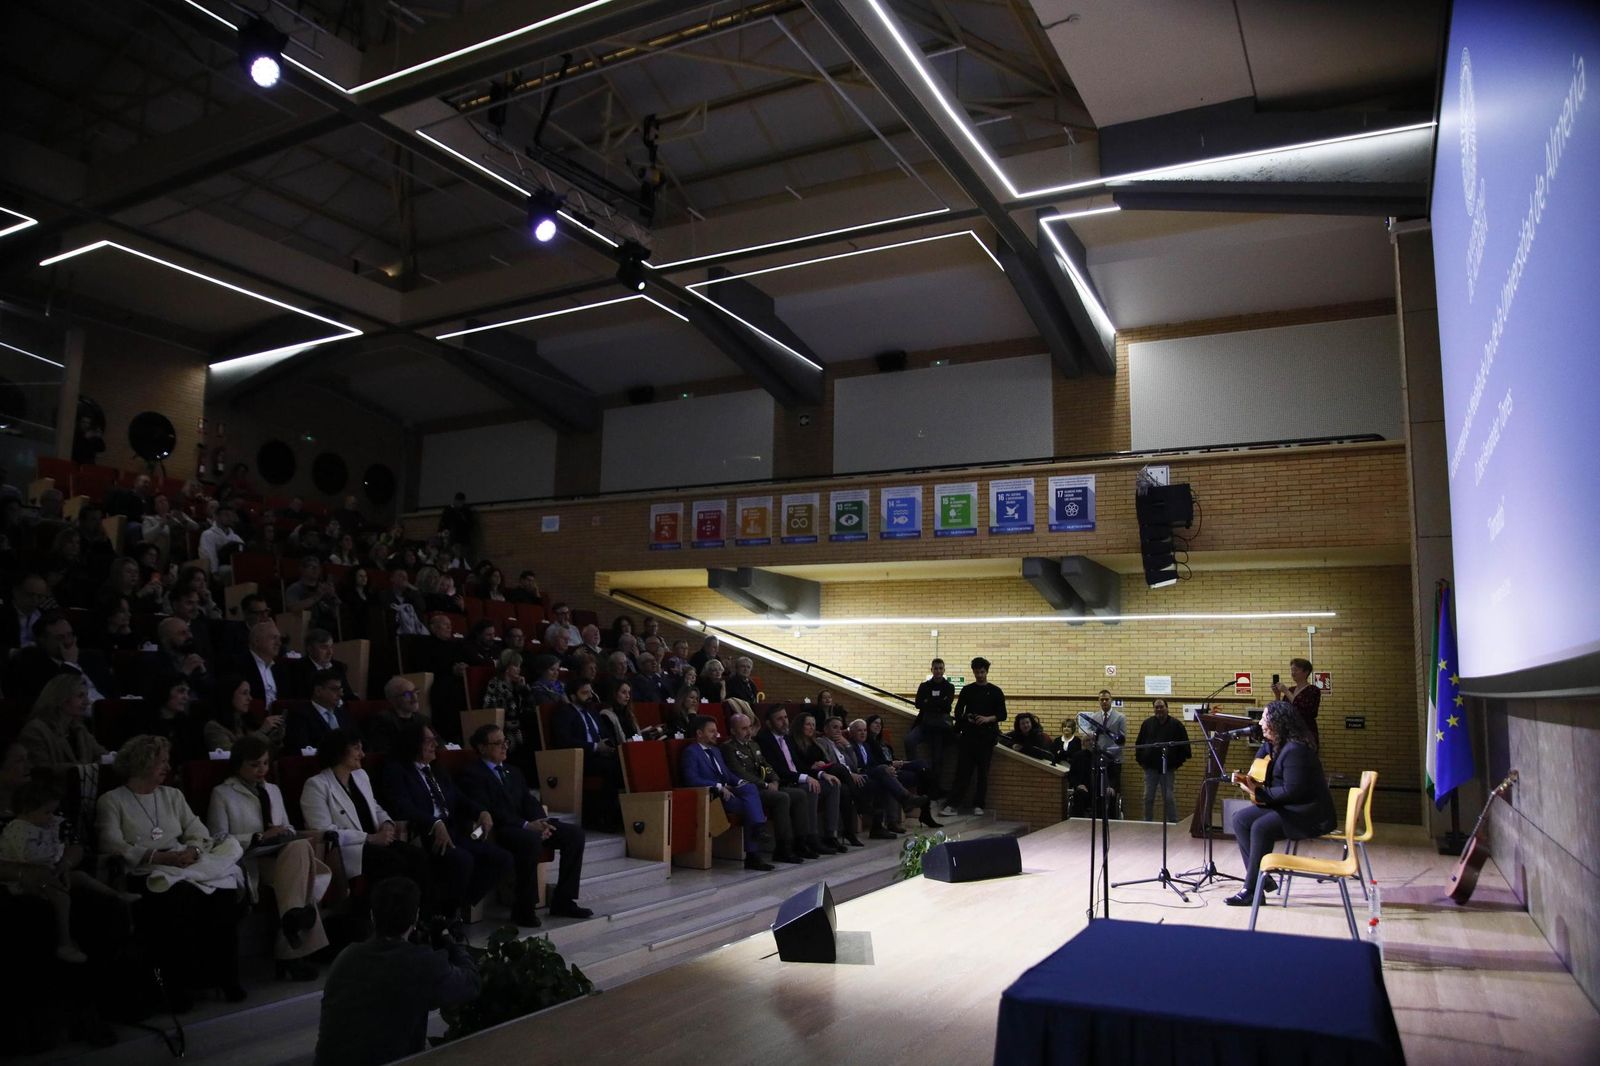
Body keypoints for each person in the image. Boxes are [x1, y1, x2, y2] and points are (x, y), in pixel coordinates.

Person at [97, 735, 245, 1008]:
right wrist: (158, 855)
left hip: (183, 862)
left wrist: (193, 850)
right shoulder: (112, 800)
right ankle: (176, 986)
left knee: (224, 892)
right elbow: (111, 842)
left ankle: (226, 978)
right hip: (146, 868)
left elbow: (197, 829)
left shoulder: (173, 795)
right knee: (179, 897)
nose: (167, 767)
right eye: (161, 762)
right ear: (141, 763)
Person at [313, 877, 479, 1066]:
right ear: (415, 916)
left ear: (372, 916)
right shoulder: (420, 963)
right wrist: (449, 943)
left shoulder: (346, 957)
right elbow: (471, 982)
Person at [205, 735, 331, 980]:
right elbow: (216, 838)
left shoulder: (273, 790)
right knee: (299, 865)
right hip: (249, 859)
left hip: (280, 855)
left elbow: (288, 827)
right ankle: (293, 952)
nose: (261, 769)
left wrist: (284, 832)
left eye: (264, 763)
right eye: (254, 764)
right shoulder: (222, 793)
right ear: (238, 765)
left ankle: (291, 944)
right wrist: (260, 836)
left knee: (299, 848)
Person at [457, 724, 591, 926]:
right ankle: (524, 907)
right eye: (498, 743)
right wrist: (527, 825)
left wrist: (542, 822)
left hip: (526, 824)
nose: (504, 747)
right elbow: (487, 808)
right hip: (500, 828)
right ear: (482, 748)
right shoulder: (472, 774)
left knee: (574, 835)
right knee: (529, 841)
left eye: (506, 742)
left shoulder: (513, 771)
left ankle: (564, 900)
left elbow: (528, 801)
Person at [379, 723, 512, 921]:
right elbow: (401, 806)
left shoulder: (436, 769)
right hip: (424, 834)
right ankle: (446, 915)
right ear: (413, 743)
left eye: (435, 739)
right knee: (462, 860)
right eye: (428, 741)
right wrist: (434, 823)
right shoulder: (397, 770)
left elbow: (458, 798)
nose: (435, 745)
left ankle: (453, 907)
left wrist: (481, 811)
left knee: (501, 858)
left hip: (452, 829)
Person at [2, 777, 137, 963]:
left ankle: (116, 894)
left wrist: (63, 862)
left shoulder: (40, 823)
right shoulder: (18, 829)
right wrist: (52, 858)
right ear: (27, 810)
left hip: (51, 871)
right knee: (62, 898)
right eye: (47, 812)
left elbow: (69, 846)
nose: (51, 817)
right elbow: (27, 856)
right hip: (25, 879)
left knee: (80, 876)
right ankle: (64, 943)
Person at [299, 729, 432, 914]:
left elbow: (375, 806)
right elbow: (324, 832)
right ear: (339, 751)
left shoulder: (361, 776)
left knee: (417, 857)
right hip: (348, 849)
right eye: (356, 749)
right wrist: (369, 838)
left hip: (376, 841)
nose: (362, 754)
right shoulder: (316, 785)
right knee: (393, 862)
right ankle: (385, 920)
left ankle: (420, 918)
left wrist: (387, 823)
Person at [1225, 701, 1337, 906]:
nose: (1260, 722)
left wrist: (1258, 791)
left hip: (1309, 813)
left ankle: (1252, 890)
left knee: (1260, 826)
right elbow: (1259, 766)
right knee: (1240, 819)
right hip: (1290, 807)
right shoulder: (1276, 746)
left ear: (1278, 722)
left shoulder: (1296, 750)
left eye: (1264, 718)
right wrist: (1248, 779)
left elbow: (1293, 790)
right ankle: (1262, 877)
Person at [721, 703, 813, 863]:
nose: (748, 732)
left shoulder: (753, 745)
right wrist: (764, 785)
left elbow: (766, 765)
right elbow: (739, 772)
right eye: (743, 729)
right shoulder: (728, 748)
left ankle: (802, 842)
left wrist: (775, 780)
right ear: (733, 731)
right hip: (749, 790)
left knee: (799, 794)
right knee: (782, 798)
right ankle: (783, 847)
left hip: (765, 787)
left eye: (749, 727)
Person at [679, 714, 772, 870]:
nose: (716, 734)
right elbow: (691, 779)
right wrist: (718, 786)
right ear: (699, 733)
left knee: (750, 788)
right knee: (752, 807)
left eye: (716, 731)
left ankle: (757, 831)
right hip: (711, 797)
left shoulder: (715, 751)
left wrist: (740, 782)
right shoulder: (691, 752)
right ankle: (754, 852)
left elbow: (728, 774)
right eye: (711, 731)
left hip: (728, 793)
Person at [756, 705, 843, 853]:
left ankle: (830, 834)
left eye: (785, 717)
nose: (784, 722)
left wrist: (821, 774)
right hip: (783, 782)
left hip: (797, 779)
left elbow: (800, 765)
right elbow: (778, 769)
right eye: (779, 719)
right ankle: (811, 838)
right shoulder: (764, 740)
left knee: (832, 784)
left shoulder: (787, 739)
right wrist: (805, 778)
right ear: (769, 723)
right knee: (810, 788)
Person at [850, 717, 939, 830]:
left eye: (864, 730)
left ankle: (904, 813)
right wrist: (888, 766)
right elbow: (857, 766)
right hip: (864, 776)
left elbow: (874, 763)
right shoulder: (851, 746)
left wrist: (888, 767)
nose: (863, 733)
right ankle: (908, 802)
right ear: (852, 732)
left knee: (921, 769)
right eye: (859, 730)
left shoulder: (866, 746)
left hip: (881, 771)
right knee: (887, 775)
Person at [943, 657, 1006, 817]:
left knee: (982, 773)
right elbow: (957, 712)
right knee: (962, 772)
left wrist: (987, 719)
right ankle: (953, 804)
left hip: (987, 736)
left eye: (982, 672)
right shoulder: (967, 690)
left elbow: (1002, 715)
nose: (979, 675)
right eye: (977, 672)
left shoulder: (996, 691)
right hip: (969, 735)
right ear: (973, 672)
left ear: (987, 671)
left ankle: (979, 804)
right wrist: (967, 718)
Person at [792, 713, 860, 847]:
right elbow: (799, 764)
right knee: (839, 769)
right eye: (808, 724)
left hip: (825, 773)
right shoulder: (797, 742)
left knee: (843, 789)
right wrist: (815, 767)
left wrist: (847, 747)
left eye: (813, 725)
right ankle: (860, 803)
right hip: (812, 775)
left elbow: (854, 765)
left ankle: (833, 834)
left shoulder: (816, 743)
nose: (811, 728)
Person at [1133, 698, 1190, 823]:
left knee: (1168, 797)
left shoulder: (1176, 725)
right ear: (1153, 709)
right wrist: (1142, 762)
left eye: (1161, 707)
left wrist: (1176, 764)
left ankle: (1173, 822)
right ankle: (1147, 822)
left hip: (1168, 769)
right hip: (1150, 769)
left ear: (1167, 708)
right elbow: (1139, 744)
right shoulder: (1147, 724)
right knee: (1148, 797)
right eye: (1156, 707)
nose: (1159, 709)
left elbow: (1184, 747)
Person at [483, 649, 541, 768]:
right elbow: (489, 707)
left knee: (536, 730)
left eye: (519, 666)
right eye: (515, 666)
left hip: (520, 724)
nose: (519, 669)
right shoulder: (495, 683)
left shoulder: (518, 685)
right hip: (504, 725)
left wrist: (524, 690)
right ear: (507, 667)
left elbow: (531, 707)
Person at [905, 657, 955, 789]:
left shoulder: (949, 687)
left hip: (940, 728)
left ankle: (934, 789)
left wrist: (928, 702)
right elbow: (918, 704)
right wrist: (938, 703)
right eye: (935, 668)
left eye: (940, 668)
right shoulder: (924, 686)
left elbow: (947, 707)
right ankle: (914, 775)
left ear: (944, 670)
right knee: (909, 740)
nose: (938, 671)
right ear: (931, 670)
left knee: (937, 759)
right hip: (924, 724)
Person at [1078, 689, 1127, 819]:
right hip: (1098, 759)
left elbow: (1122, 740)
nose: (1104, 702)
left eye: (1106, 699)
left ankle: (1111, 817)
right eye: (1101, 699)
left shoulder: (1120, 717)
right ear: (1099, 701)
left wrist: (1108, 753)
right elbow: (1089, 732)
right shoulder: (1094, 717)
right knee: (1097, 790)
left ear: (1111, 700)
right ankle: (1098, 816)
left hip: (1113, 760)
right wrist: (1090, 736)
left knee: (1111, 792)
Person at [285, 673, 357, 752]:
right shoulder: (299, 715)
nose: (340, 694)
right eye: (334, 689)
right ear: (318, 691)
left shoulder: (343, 713)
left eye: (340, 689)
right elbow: (302, 749)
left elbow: (358, 741)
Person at [364, 675, 430, 758]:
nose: (415, 698)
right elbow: (383, 751)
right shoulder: (382, 720)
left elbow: (439, 745)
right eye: (407, 694)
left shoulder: (423, 719)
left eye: (415, 692)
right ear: (393, 700)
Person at [1273, 657, 1322, 745]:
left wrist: (1286, 691)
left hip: (1306, 733)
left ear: (1306, 672)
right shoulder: (1291, 690)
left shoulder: (1313, 690)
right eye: (1291, 670)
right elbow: (1280, 710)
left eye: (1295, 670)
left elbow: (1305, 709)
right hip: (1289, 733)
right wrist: (1277, 695)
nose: (1292, 673)